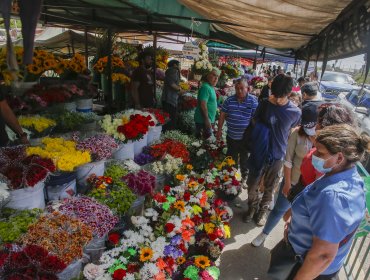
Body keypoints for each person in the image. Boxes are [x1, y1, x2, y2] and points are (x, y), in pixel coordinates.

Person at [269, 124, 367, 279]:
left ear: (340, 158)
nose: (313, 154)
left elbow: (323, 255)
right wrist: (298, 224)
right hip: (298, 255)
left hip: (302, 266)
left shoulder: (334, 197)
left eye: (319, 152)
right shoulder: (345, 174)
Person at [252, 103, 356, 247]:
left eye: (319, 124)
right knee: (281, 213)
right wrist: (288, 184)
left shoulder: (334, 187)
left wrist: (296, 214)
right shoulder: (307, 140)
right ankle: (266, 233)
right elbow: (289, 160)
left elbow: (324, 251)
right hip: (296, 185)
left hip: (304, 235)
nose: (316, 128)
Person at [243, 74, 301, 225]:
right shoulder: (264, 104)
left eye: (281, 96)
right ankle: (251, 208)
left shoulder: (295, 112)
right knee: (252, 185)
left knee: (270, 187)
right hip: (259, 151)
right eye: (276, 95)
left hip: (277, 155)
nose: (278, 99)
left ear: (289, 94)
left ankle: (262, 212)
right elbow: (254, 121)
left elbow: (291, 130)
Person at [216, 78, 258, 179]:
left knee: (245, 159)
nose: (239, 91)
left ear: (247, 89)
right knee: (231, 159)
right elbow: (222, 115)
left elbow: (256, 119)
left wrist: (255, 135)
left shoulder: (253, 101)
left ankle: (244, 178)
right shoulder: (229, 100)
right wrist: (219, 130)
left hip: (246, 138)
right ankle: (231, 180)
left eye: (242, 88)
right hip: (232, 137)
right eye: (237, 88)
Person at [194, 68, 220, 139]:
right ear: (208, 75)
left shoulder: (210, 87)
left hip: (207, 120)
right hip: (203, 122)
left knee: (205, 144)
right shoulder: (205, 87)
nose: (216, 78)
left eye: (217, 76)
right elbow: (203, 105)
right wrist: (207, 120)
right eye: (214, 75)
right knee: (201, 144)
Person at [161, 60, 184, 131]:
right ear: (175, 65)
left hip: (167, 98)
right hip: (169, 99)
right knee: (170, 120)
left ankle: (167, 133)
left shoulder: (171, 71)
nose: (180, 66)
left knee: (168, 118)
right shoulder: (173, 71)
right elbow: (172, 84)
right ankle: (168, 134)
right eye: (179, 65)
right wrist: (180, 90)